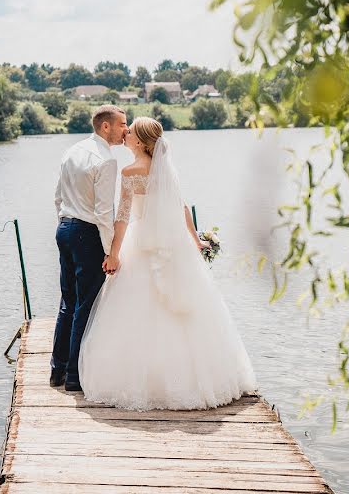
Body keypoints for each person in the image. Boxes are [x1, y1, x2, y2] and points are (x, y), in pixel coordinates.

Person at [78, 117, 257, 410]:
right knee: (182, 310)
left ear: (140, 141)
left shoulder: (129, 171)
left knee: (136, 309)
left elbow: (122, 216)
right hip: (172, 244)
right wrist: (195, 239)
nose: (126, 133)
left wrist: (114, 253)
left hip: (141, 242)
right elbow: (182, 206)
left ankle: (148, 381)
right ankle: (198, 378)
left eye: (131, 131)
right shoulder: (166, 170)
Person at [50, 104, 127, 392]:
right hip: (87, 234)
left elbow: (57, 197)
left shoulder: (72, 151)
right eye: (122, 124)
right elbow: (103, 212)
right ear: (105, 126)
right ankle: (74, 376)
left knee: (67, 302)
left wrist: (64, 224)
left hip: (65, 228)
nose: (126, 130)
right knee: (85, 304)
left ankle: (56, 370)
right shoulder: (106, 159)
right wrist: (111, 253)